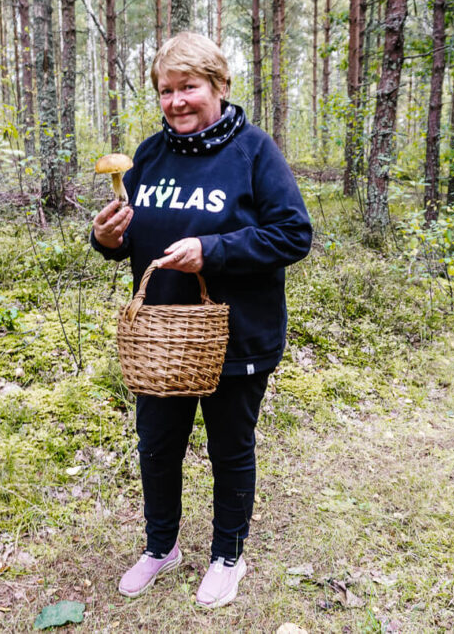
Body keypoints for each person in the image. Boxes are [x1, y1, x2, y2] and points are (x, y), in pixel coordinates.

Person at [90, 32, 312, 608]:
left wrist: (213, 251)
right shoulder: (149, 156)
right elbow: (132, 237)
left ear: (218, 86)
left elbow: (293, 233)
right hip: (162, 338)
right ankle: (161, 546)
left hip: (235, 334)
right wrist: (106, 239)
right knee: (156, 446)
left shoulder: (253, 151)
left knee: (229, 447)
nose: (176, 101)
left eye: (189, 87)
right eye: (166, 90)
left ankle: (227, 555)